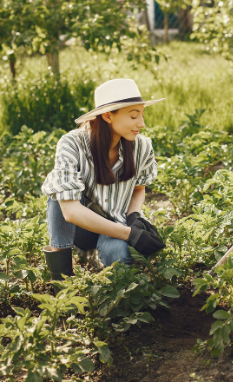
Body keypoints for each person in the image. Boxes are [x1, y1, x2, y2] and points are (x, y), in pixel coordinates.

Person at [42, 78, 166, 281]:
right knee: (59, 193)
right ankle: (61, 281)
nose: (142, 124)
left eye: (142, 115)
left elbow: (138, 188)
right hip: (80, 229)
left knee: (118, 255)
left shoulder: (142, 147)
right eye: (134, 116)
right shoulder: (72, 144)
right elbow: (70, 212)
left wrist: (134, 216)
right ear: (108, 116)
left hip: (116, 224)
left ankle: (98, 260)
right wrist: (130, 235)